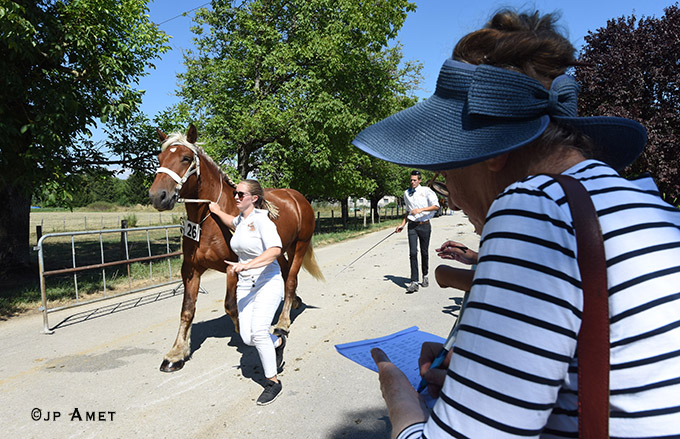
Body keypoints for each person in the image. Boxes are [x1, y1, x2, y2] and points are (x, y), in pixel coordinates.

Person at [352, 9, 680, 438]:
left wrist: (403, 405)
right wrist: (478, 374)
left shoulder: (533, 210)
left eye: (446, 165)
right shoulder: (648, 204)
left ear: (491, 151)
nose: (447, 187)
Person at [208, 179, 287, 406]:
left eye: (240, 194)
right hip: (245, 284)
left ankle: (272, 381)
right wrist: (216, 210)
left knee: (259, 332)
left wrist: (247, 265)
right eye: (235, 193)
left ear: (254, 198)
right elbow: (229, 219)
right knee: (246, 337)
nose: (236, 197)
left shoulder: (262, 221)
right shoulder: (241, 221)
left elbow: (275, 250)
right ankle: (278, 342)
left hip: (267, 281)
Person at [396, 170, 440, 293]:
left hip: (425, 225)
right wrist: (402, 225)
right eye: (411, 180)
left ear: (419, 180)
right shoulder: (407, 193)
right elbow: (408, 211)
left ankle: (425, 274)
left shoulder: (426, 191)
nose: (412, 182)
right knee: (413, 253)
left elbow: (436, 206)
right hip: (412, 226)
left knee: (424, 253)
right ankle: (414, 282)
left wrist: (421, 210)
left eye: (415, 180)